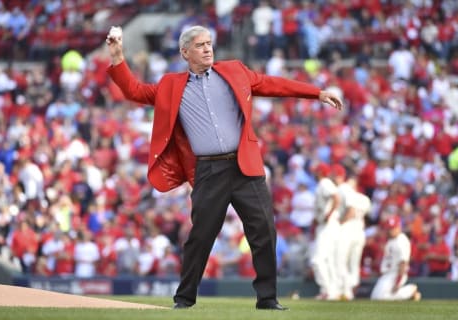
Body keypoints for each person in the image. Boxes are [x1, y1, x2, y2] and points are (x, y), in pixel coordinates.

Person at [106, 24, 342, 310]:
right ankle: (184, 299)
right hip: (208, 171)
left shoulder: (234, 70)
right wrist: (118, 56)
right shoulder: (171, 85)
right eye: (200, 45)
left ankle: (267, 299)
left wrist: (315, 92)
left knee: (264, 231)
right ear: (185, 52)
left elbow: (272, 84)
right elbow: (134, 91)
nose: (207, 48)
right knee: (200, 237)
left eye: (209, 43)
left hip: (245, 168)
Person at [331, 164, 371, 300]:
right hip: (359, 230)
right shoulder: (360, 196)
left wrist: (340, 223)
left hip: (348, 228)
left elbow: (351, 210)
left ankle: (346, 291)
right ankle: (351, 290)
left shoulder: (343, 189)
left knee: (341, 261)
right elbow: (364, 210)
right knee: (353, 263)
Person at [370, 215, 421, 301]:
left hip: (395, 273)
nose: (390, 231)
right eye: (389, 228)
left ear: (399, 227)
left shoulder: (401, 241)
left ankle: (410, 290)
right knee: (375, 297)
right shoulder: (391, 239)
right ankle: (408, 294)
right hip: (387, 273)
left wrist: (398, 281)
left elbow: (403, 263)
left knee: (379, 298)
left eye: (393, 228)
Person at [310, 162, 341, 300]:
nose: (314, 173)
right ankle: (331, 291)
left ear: (321, 172)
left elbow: (336, 197)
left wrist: (329, 213)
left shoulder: (325, 183)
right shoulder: (322, 184)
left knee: (317, 260)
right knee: (327, 260)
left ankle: (327, 290)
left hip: (328, 225)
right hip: (326, 225)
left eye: (316, 171)